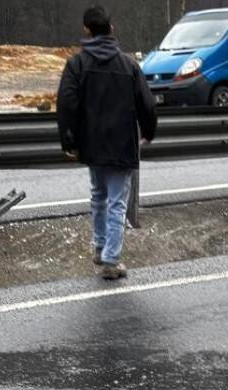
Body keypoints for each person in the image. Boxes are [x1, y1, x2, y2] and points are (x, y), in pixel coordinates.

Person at [57, 5, 157, 281]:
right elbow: (146, 103)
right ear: (111, 30)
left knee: (98, 196)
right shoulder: (128, 65)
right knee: (116, 202)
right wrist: (149, 130)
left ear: (86, 31)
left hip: (92, 143)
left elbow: (67, 103)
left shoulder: (76, 64)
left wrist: (69, 139)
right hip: (122, 143)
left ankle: (100, 248)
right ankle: (111, 259)